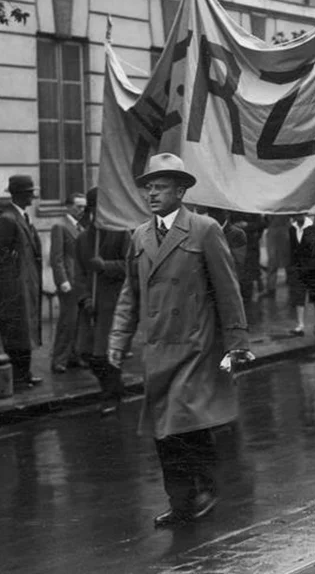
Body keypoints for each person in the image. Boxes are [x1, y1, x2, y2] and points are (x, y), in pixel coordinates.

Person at [108, 153, 252, 528]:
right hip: (156, 348)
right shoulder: (139, 235)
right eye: (149, 187)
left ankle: (205, 487)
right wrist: (119, 338)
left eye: (160, 187)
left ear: (181, 190)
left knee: (184, 420)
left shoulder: (204, 229)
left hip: (195, 345)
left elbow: (227, 290)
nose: (152, 194)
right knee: (163, 430)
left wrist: (236, 343)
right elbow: (130, 292)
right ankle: (182, 500)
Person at [73, 188, 131, 416]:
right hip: (90, 306)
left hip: (114, 305)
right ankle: (113, 388)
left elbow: (131, 267)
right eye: (96, 210)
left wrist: (105, 266)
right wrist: (84, 297)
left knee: (108, 354)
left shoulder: (122, 234)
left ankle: (111, 396)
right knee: (87, 353)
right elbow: (78, 273)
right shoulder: (83, 239)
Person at [0, 175, 43, 390]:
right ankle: (19, 376)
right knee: (18, 332)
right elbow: (1, 252)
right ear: (20, 195)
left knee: (27, 330)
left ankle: (25, 373)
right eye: (29, 194)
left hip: (27, 281)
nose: (32, 198)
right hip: (16, 286)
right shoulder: (8, 218)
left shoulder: (21, 217)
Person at [50, 192, 86, 374]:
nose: (82, 210)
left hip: (81, 282)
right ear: (68, 207)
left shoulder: (81, 228)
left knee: (78, 322)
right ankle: (59, 359)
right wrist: (62, 280)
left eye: (84, 207)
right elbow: (56, 258)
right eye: (78, 206)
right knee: (67, 322)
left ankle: (73, 356)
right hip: (69, 282)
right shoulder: (60, 226)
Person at [287, 213, 315, 335]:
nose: (298, 216)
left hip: (312, 268)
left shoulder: (313, 228)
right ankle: (300, 324)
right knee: (299, 295)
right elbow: (292, 249)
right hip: (298, 267)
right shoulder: (292, 229)